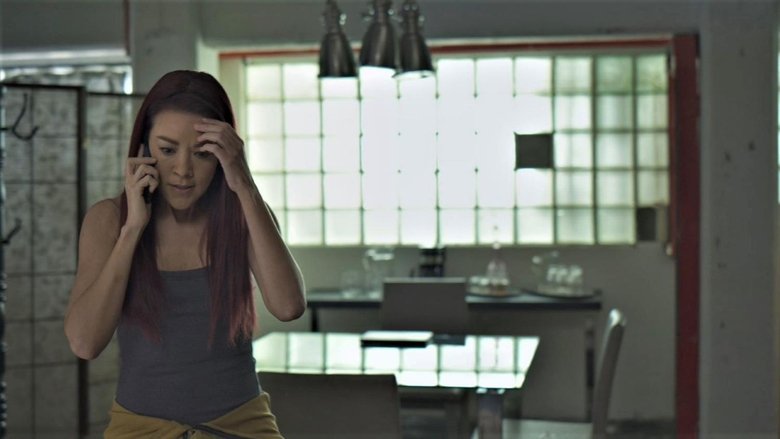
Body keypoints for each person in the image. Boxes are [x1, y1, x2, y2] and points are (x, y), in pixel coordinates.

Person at [64, 70, 306, 438]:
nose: (183, 170)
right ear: (144, 150)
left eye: (202, 153)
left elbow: (289, 307)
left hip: (241, 426)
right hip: (139, 429)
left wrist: (244, 185)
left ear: (225, 155)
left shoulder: (245, 213)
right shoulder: (109, 220)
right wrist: (132, 230)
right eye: (167, 150)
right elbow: (85, 343)